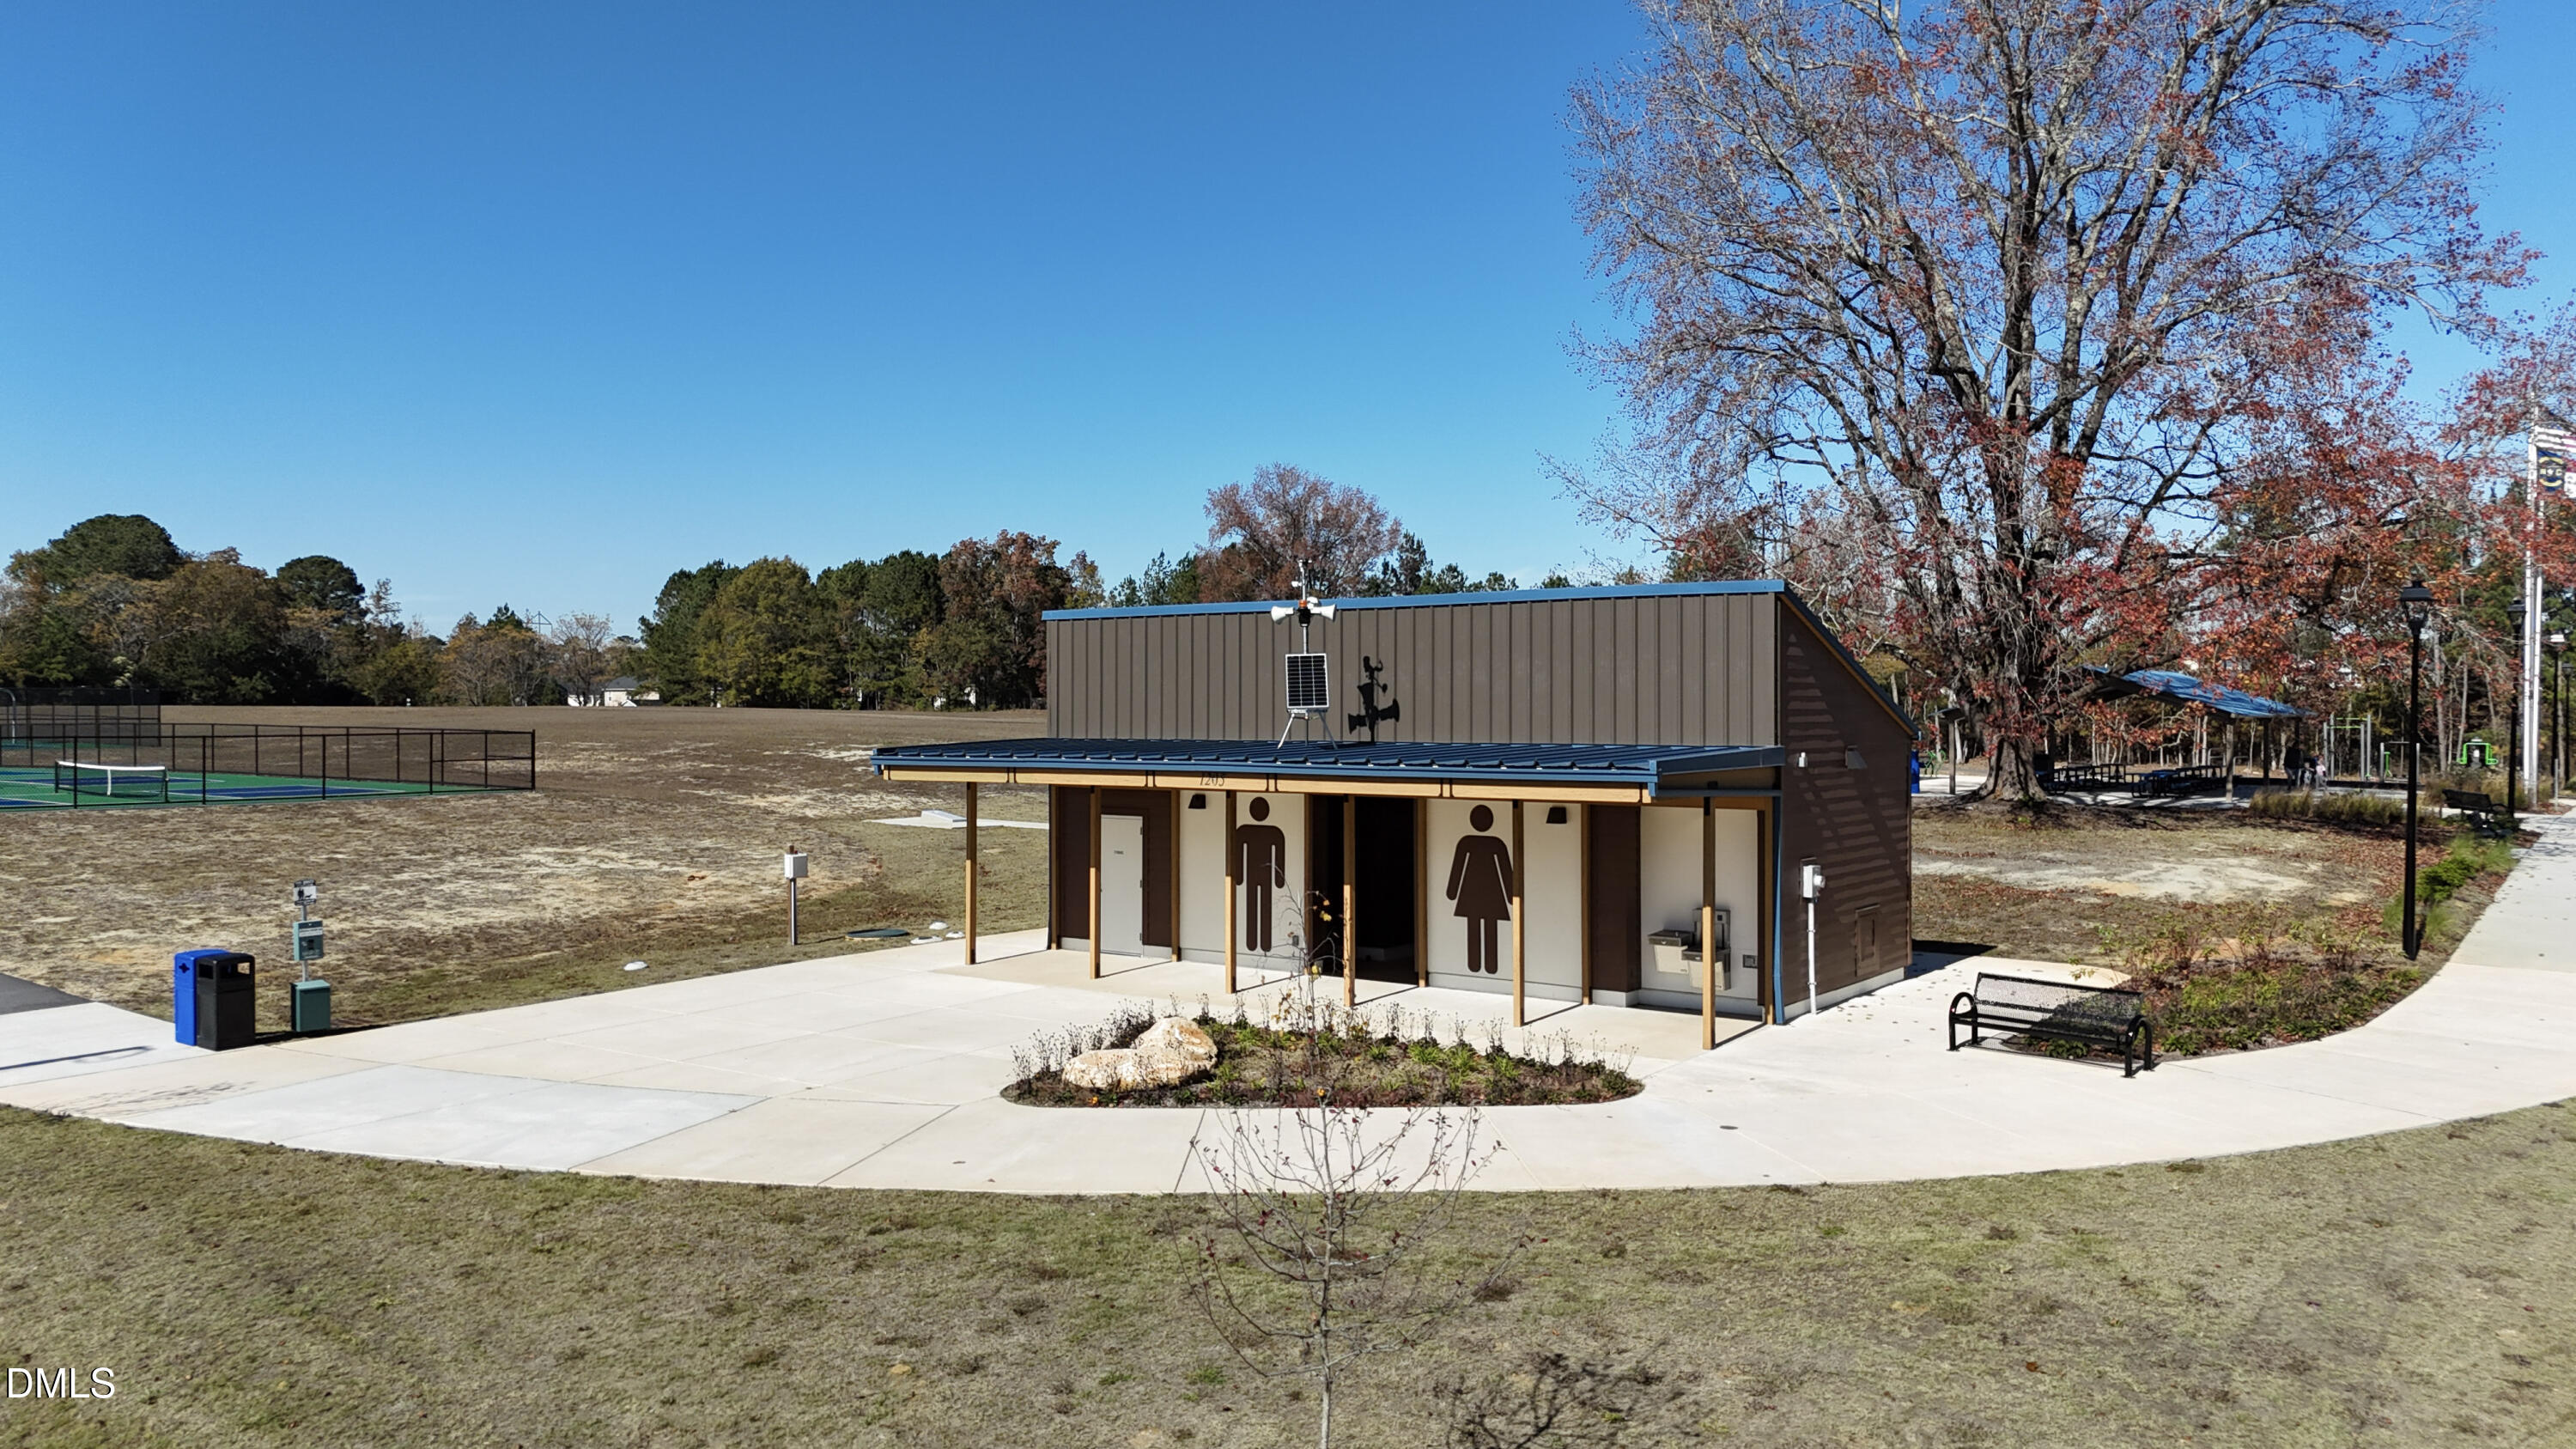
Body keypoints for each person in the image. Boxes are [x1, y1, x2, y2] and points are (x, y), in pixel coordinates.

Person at [1443, 804, 1515, 974]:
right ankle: (1488, 966)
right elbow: (1505, 869)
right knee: (1488, 927)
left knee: (1475, 926)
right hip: (1491, 893)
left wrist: (1452, 892)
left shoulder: (1468, 842)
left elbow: (1458, 868)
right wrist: (1511, 894)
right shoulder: (1495, 843)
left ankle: (1477, 965)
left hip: (1472, 893)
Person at [1232, 797, 1287, 953]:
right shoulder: (1246, 831)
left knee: (1264, 906)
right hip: (1256, 875)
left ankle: (1263, 944)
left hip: (1262, 876)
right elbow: (1238, 853)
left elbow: (1280, 854)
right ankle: (1254, 942)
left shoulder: (1272, 832)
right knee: (1254, 906)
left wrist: (1279, 879)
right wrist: (1239, 876)